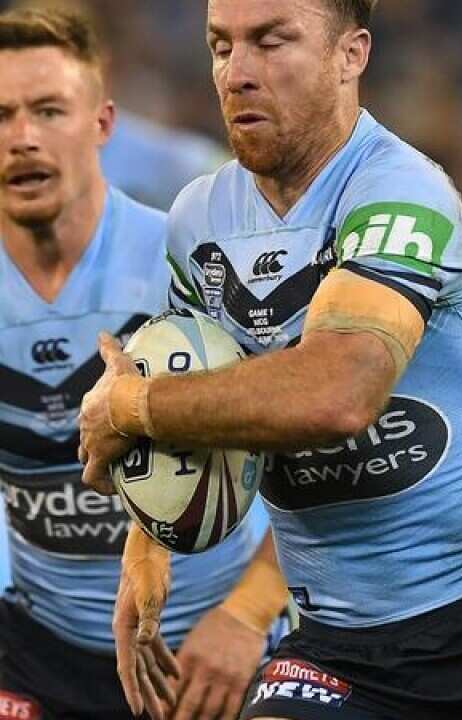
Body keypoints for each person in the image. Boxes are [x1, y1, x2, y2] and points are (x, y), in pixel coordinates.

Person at [74, 1, 462, 718]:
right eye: (221, 46)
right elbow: (187, 392)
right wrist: (148, 546)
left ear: (351, 55)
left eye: (271, 42)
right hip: (334, 648)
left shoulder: (400, 190)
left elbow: (338, 392)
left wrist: (129, 409)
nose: (238, 73)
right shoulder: (197, 219)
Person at [0, 8, 287, 720]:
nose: (23, 137)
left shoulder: (190, 263)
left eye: (48, 111)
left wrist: (246, 617)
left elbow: (331, 465)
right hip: (40, 650)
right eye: (0, 114)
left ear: (101, 125)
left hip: (214, 646)